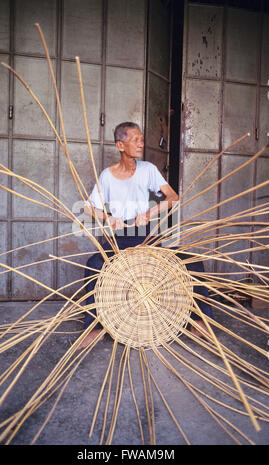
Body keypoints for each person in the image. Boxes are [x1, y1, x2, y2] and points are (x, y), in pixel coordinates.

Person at [78, 122, 213, 349]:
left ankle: (199, 320)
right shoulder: (107, 176)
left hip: (147, 237)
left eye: (141, 139)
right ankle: (94, 326)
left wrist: (149, 212)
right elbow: (87, 208)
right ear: (121, 145)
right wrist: (108, 218)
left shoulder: (148, 169)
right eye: (136, 140)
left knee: (193, 262)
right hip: (118, 237)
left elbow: (173, 197)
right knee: (93, 265)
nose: (141, 144)